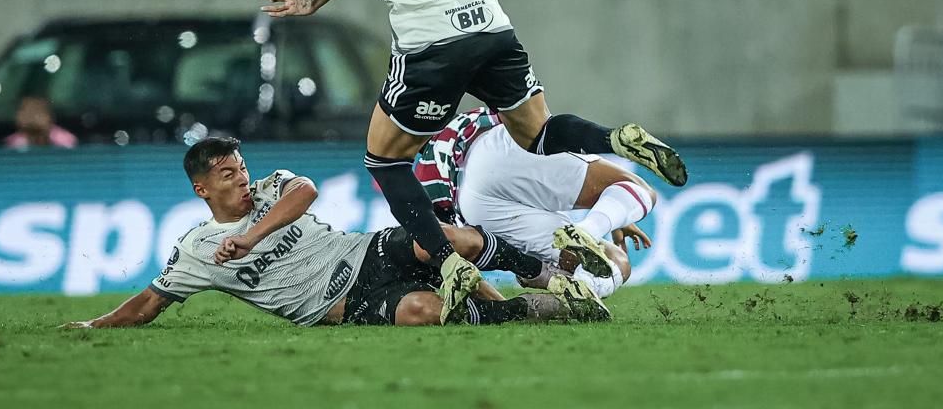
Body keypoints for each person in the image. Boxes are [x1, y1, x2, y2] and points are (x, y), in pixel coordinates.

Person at [260, 0, 688, 321]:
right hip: (490, 25)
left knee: (385, 158)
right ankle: (617, 139)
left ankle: (448, 263)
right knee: (539, 133)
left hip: (430, 41)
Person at [60, 136, 609, 329]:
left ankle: (546, 275)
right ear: (203, 189)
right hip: (336, 304)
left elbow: (307, 193)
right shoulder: (199, 250)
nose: (243, 177)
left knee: (444, 237)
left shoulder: (275, 187)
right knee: (424, 312)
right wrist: (95, 321)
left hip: (362, 251)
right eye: (228, 174)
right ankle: (541, 311)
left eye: (241, 166)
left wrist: (251, 238)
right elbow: (150, 302)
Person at [416, 108, 657, 298]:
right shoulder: (468, 118)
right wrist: (616, 213)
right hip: (496, 148)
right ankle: (586, 230)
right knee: (639, 191)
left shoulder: (420, 177)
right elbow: (534, 126)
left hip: (475, 209)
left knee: (615, 263)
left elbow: (453, 246)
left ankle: (570, 300)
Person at [5, 96, 77, 151]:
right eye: (27, 113)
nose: (32, 118)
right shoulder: (14, 143)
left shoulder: (64, 140)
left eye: (37, 113)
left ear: (49, 117)